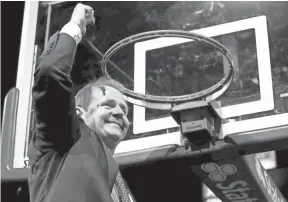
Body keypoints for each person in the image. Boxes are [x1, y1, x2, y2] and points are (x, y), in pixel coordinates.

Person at [28, 3, 135, 202]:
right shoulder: (65, 140)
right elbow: (51, 72)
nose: (120, 113)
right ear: (79, 113)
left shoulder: (121, 188)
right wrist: (76, 26)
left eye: (125, 110)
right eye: (108, 104)